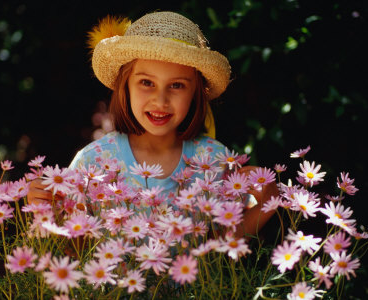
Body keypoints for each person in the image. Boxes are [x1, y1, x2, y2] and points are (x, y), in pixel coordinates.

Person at [27, 11, 278, 239]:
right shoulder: (93, 162)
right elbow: (75, 246)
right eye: (146, 82)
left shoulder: (214, 159)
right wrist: (48, 213)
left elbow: (223, 243)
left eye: (177, 85)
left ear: (196, 94)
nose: (160, 100)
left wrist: (270, 200)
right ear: (124, 85)